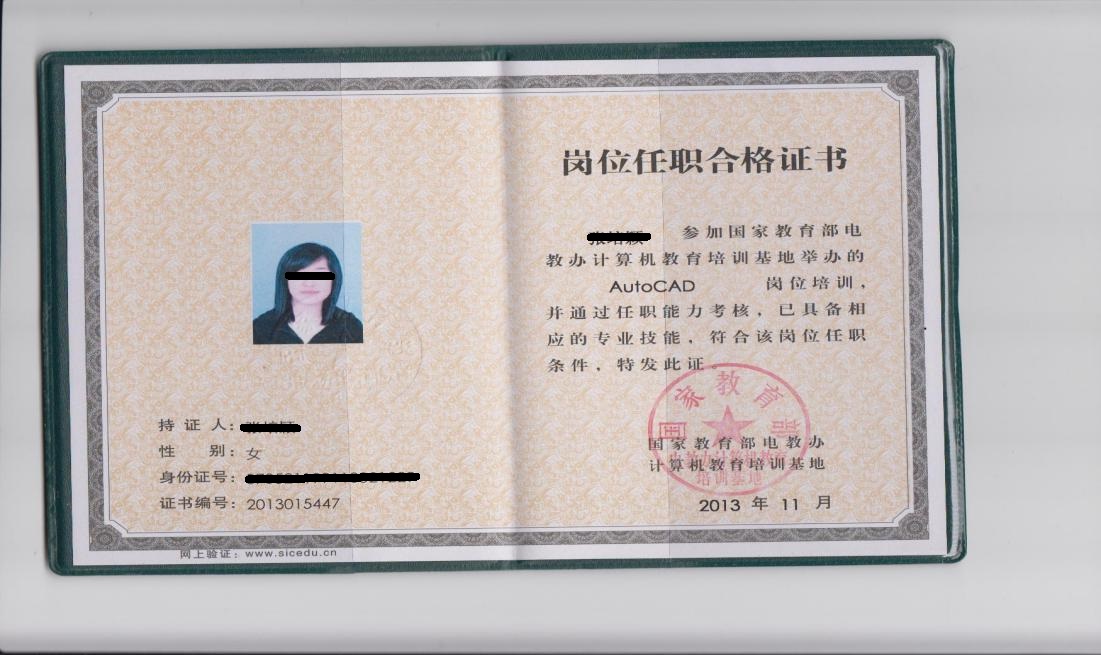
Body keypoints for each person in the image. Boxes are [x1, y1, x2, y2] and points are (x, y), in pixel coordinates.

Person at [252, 242, 363, 344]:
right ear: (285, 280)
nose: (309, 283)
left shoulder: (350, 327)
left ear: (334, 280)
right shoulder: (261, 327)